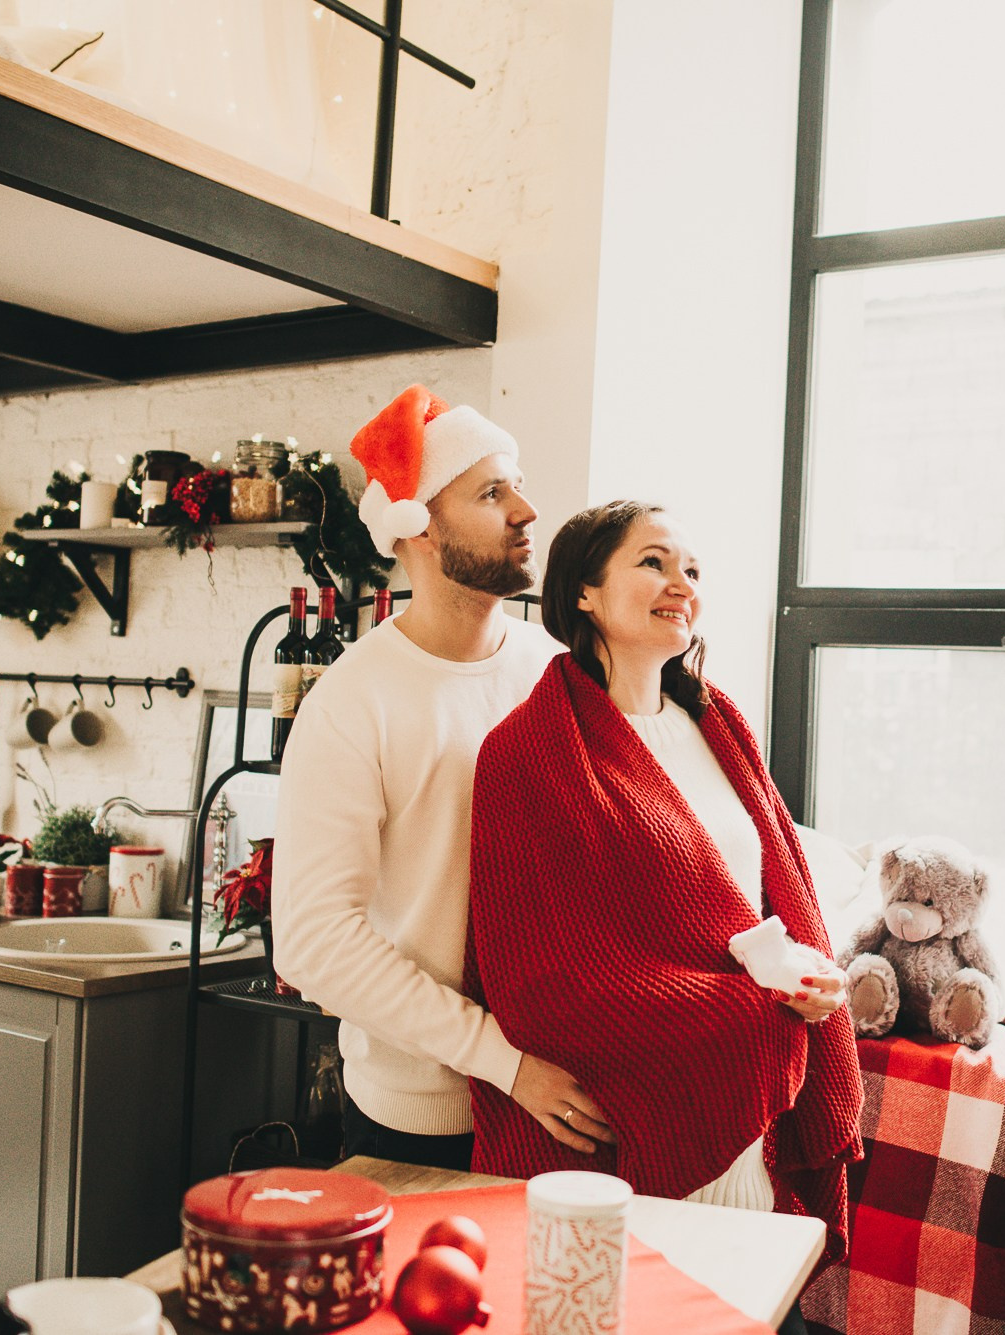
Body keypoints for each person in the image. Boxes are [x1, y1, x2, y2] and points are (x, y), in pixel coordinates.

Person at [464, 500, 865, 1262]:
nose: (682, 583)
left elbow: (774, 901)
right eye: (653, 562)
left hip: (751, 1132)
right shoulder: (525, 753)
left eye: (693, 570)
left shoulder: (719, 723)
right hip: (624, 1137)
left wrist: (814, 981)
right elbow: (539, 979)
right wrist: (756, 1016)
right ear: (585, 591)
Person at [270, 385, 616, 1172]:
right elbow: (314, 941)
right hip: (423, 1118)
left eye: (518, 484)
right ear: (419, 525)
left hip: (569, 1097)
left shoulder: (557, 673)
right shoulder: (353, 702)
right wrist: (503, 1061)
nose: (527, 510)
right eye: (492, 493)